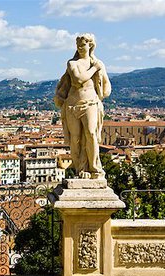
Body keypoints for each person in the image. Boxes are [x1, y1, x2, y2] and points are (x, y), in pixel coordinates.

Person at [54, 33, 111, 179]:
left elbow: (106, 90)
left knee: (91, 134)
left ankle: (94, 168)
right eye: (78, 44)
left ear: (90, 45)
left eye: (83, 44)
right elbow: (78, 79)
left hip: (91, 103)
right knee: (75, 139)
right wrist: (94, 69)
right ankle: (81, 169)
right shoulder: (72, 63)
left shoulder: (99, 63)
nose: (79, 47)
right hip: (72, 105)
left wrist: (101, 73)